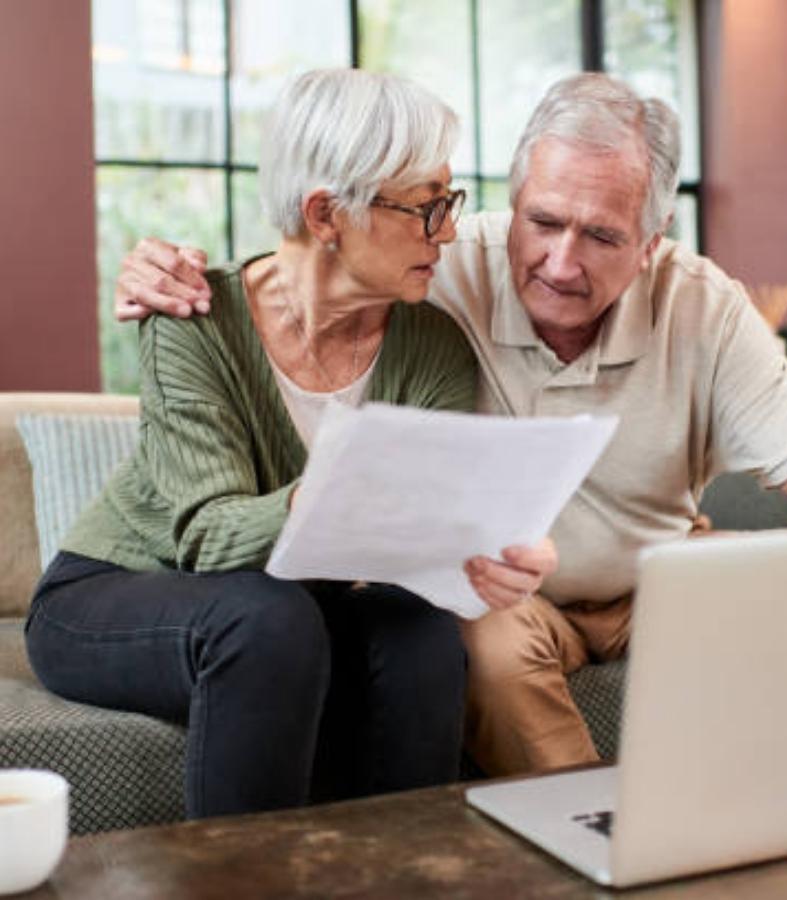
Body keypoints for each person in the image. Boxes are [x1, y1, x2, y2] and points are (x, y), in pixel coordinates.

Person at [112, 72, 787, 780]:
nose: (559, 262)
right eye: (542, 221)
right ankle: (595, 842)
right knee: (474, 645)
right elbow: (319, 258)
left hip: (664, 572)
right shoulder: (435, 264)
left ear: (651, 244)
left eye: (603, 237)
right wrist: (169, 273)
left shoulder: (703, 306)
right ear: (512, 203)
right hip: (511, 599)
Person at [25, 67, 557, 821]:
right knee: (266, 620)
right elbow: (207, 537)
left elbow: (422, 534)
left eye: (449, 203)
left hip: (298, 604)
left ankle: (408, 876)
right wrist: (336, 495)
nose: (447, 230)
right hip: (119, 589)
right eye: (426, 208)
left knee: (423, 637)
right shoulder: (193, 319)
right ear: (326, 213)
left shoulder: (433, 342)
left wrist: (487, 555)